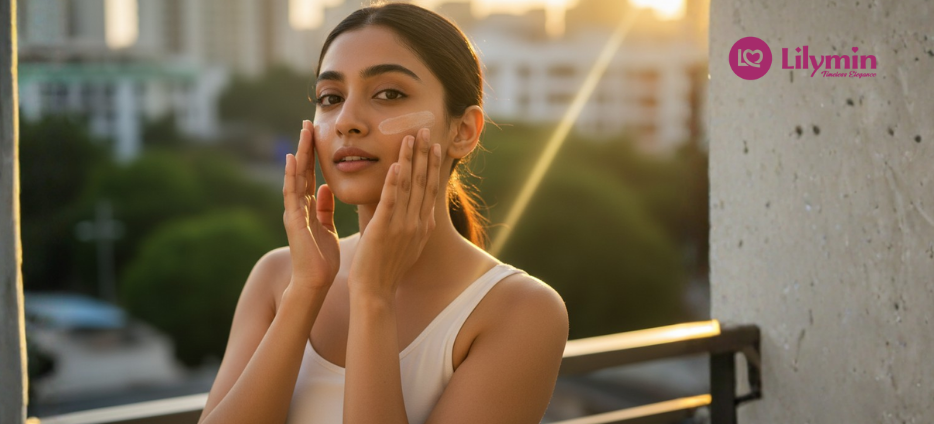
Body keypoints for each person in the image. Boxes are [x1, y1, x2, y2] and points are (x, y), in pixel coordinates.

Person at [197, 3, 568, 424]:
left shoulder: (522, 310)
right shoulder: (276, 278)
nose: (346, 121)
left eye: (389, 94)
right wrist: (305, 292)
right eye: (330, 98)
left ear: (463, 131)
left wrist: (373, 295)